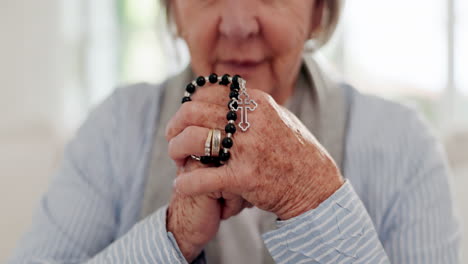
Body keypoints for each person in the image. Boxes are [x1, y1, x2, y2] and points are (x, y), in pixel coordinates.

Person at [10, 0, 461, 263]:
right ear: (175, 12)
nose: (240, 23)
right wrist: (173, 234)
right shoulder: (115, 129)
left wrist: (310, 198)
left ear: (320, 11)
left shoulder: (404, 145)